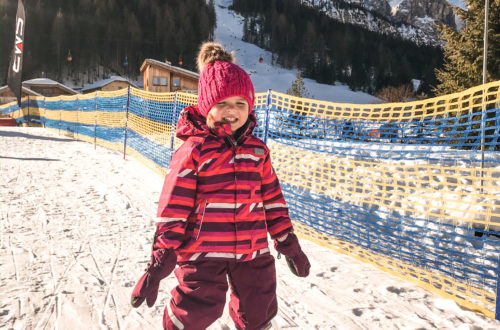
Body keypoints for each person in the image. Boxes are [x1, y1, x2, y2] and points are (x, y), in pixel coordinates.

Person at [131, 42, 310, 330]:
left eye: (240, 103)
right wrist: (160, 260)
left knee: (259, 308)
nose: (232, 111)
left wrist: (288, 242)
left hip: (252, 251)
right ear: (206, 106)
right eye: (223, 103)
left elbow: (273, 200)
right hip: (203, 252)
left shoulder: (257, 151)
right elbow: (173, 210)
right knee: (195, 309)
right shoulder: (194, 151)